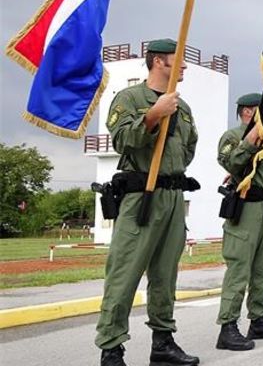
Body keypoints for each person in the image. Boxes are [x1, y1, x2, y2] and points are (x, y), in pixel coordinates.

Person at [95, 39, 200, 366]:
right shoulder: (129, 98)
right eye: (178, 60)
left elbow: (189, 148)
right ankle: (111, 348)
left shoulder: (182, 107)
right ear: (158, 62)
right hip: (141, 196)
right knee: (124, 273)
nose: (183, 66)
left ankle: (163, 342)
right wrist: (153, 115)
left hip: (171, 196)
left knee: (166, 274)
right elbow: (124, 138)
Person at [215, 93, 263, 351]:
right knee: (239, 269)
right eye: (260, 110)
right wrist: (249, 143)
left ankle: (258, 319)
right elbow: (229, 161)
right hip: (246, 208)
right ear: (247, 112)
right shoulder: (234, 136)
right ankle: (228, 326)